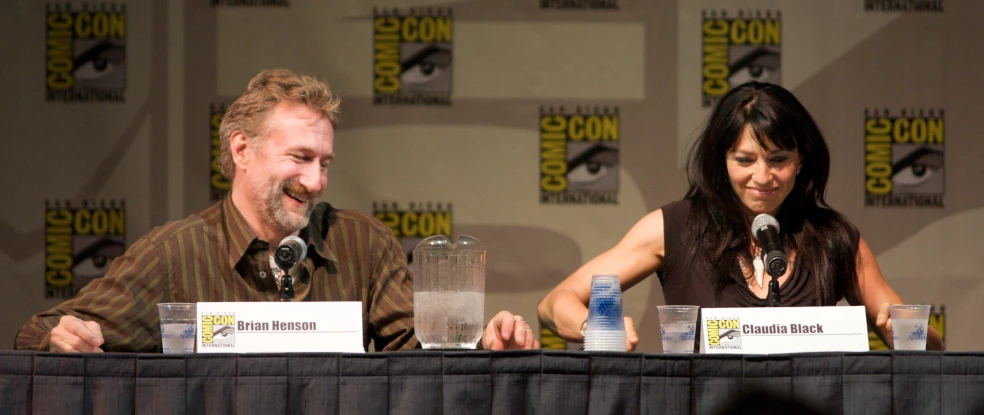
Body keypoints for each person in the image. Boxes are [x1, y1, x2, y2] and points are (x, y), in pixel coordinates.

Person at [17, 68, 539, 353]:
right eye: (299, 158)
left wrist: (484, 345)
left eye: (325, 162)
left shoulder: (364, 243)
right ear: (242, 150)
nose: (316, 181)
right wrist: (62, 336)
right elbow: (40, 331)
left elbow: (420, 354)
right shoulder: (173, 253)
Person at [537, 81, 943, 351]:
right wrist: (598, 330)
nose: (762, 177)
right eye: (745, 160)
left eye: (779, 159)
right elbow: (557, 302)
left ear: (802, 161)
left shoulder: (833, 237)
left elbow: (930, 345)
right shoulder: (675, 227)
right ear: (722, 160)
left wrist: (908, 333)